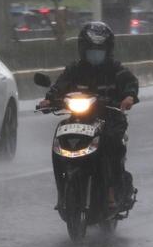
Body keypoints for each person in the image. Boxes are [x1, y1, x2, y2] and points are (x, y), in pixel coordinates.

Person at [37, 21, 138, 210]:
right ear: (83, 50)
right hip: (79, 118)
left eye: (99, 50)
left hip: (110, 118)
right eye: (91, 50)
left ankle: (111, 192)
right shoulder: (75, 70)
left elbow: (130, 83)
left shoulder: (116, 70)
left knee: (112, 143)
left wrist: (129, 97)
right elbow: (60, 85)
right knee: (59, 137)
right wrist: (49, 99)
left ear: (108, 50)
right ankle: (62, 191)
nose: (95, 54)